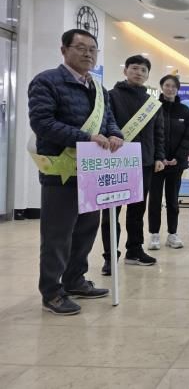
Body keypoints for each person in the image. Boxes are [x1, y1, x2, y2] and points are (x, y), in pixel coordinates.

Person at [28, 29, 123, 315]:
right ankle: (52, 292)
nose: (88, 53)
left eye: (92, 49)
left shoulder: (98, 88)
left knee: (85, 231)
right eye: (81, 48)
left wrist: (115, 135)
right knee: (57, 235)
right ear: (64, 50)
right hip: (61, 172)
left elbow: (109, 121)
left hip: (92, 173)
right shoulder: (47, 81)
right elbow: (42, 123)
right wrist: (86, 138)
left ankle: (75, 280)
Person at [100, 55, 165, 275]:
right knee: (111, 211)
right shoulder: (111, 96)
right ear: (125, 70)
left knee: (137, 210)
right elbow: (104, 124)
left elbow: (158, 133)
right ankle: (110, 256)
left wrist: (159, 157)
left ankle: (134, 250)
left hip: (144, 162)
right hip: (116, 161)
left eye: (143, 70)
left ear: (148, 75)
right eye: (135, 68)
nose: (139, 73)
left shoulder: (152, 103)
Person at [147, 75, 189, 250]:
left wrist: (179, 157)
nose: (170, 89)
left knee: (173, 200)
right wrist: (157, 157)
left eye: (174, 86)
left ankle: (172, 234)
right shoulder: (152, 107)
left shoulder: (185, 111)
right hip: (156, 164)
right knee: (154, 200)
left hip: (176, 164)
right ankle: (154, 234)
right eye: (167, 85)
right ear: (161, 87)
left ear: (178, 89)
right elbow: (149, 135)